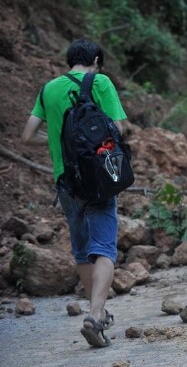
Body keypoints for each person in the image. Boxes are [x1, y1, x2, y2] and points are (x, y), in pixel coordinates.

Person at [21, 39, 127, 348]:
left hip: (65, 181)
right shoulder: (100, 81)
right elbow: (119, 128)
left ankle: (98, 313)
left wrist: (57, 141)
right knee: (104, 246)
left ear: (70, 60)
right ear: (95, 59)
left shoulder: (48, 89)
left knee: (82, 249)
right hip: (98, 178)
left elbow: (27, 136)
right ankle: (95, 315)